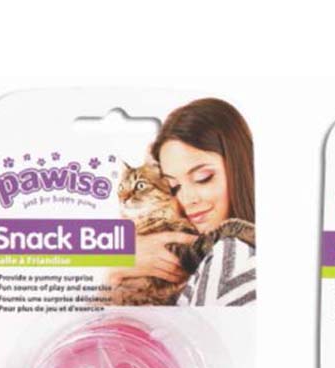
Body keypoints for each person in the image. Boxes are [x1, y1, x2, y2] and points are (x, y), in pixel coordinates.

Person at [110, 97, 256, 305]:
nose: (187, 200)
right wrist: (114, 272)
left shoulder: (231, 255)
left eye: (203, 178)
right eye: (174, 187)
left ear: (240, 167)